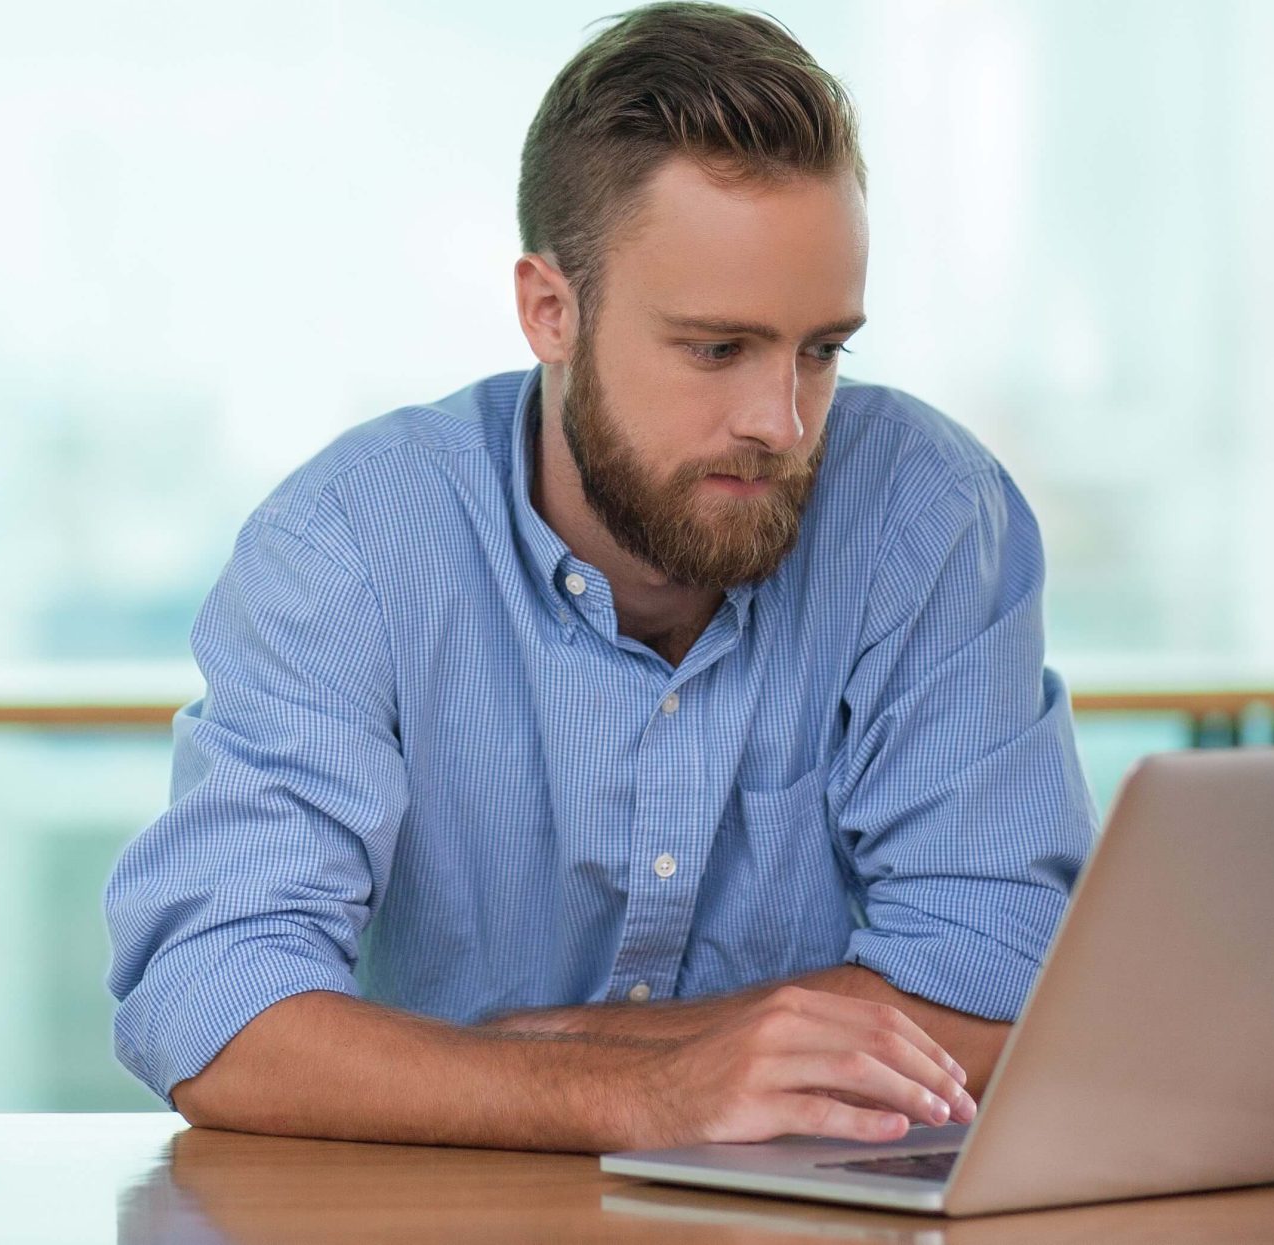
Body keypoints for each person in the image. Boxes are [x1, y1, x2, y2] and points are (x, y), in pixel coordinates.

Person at [104, 0, 1095, 1153]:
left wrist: (546, 1049)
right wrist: (639, 1099)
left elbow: (1004, 973)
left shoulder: (924, 518)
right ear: (550, 311)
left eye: (821, 349)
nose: (780, 423)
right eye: (717, 349)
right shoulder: (352, 547)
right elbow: (217, 1006)